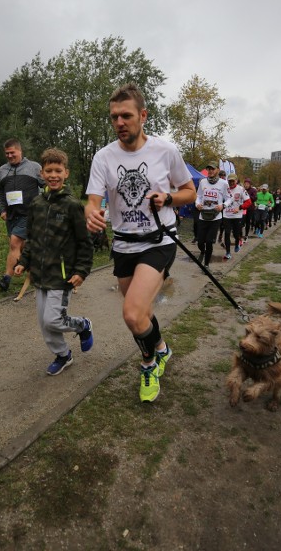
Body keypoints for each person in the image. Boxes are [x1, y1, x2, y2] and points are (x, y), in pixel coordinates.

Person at [84, 83, 196, 403]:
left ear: (143, 116)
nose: (119, 122)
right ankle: (161, 348)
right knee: (142, 313)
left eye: (126, 116)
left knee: (132, 315)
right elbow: (92, 200)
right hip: (123, 245)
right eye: (114, 117)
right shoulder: (103, 157)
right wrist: (91, 214)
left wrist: (169, 197)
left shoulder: (165, 151)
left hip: (159, 240)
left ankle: (148, 364)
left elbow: (190, 192)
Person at [14, 148, 94, 375]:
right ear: (42, 173)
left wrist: (82, 271)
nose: (53, 175)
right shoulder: (37, 204)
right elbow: (31, 238)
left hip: (62, 275)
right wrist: (24, 261)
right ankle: (63, 355)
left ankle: (83, 325)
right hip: (40, 274)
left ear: (66, 173)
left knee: (53, 320)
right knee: (44, 323)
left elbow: (84, 242)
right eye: (49, 170)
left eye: (58, 170)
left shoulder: (72, 205)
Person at [0, 138, 44, 292]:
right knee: (20, 246)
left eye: (12, 152)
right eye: (7, 153)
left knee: (14, 243)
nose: (9, 156)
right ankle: (36, 271)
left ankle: (6, 279)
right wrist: (1, 209)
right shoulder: (2, 170)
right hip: (11, 215)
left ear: (20, 151)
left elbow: (47, 184)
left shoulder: (34, 167)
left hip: (29, 213)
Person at [195, 167, 232, 266]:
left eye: (212, 169)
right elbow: (198, 196)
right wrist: (197, 204)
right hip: (203, 215)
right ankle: (203, 251)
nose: (210, 171)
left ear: (217, 170)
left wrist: (223, 205)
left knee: (209, 242)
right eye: (208, 169)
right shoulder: (202, 181)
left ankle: (206, 265)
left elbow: (229, 198)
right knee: (200, 242)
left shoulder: (223, 183)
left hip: (216, 217)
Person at [223, 174, 249, 259]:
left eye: (232, 181)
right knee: (226, 233)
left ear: (236, 180)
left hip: (237, 216)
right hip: (226, 215)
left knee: (236, 234)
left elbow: (248, 202)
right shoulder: (225, 189)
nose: (231, 183)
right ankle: (227, 252)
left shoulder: (241, 189)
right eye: (229, 181)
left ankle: (237, 242)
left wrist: (240, 207)